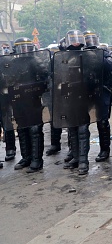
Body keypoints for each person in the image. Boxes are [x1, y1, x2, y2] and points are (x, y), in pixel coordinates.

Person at [6, 37, 49, 172]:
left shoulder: (36, 61)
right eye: (21, 48)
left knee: (35, 129)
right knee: (22, 129)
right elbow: (8, 79)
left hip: (33, 100)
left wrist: (37, 90)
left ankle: (37, 159)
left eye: (26, 48)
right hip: (19, 100)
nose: (24, 51)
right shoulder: (13, 63)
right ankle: (26, 157)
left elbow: (45, 78)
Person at [59, 29, 97, 175]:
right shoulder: (61, 57)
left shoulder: (89, 56)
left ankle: (83, 161)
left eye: (77, 39)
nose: (75, 42)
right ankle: (75, 157)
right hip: (69, 99)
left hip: (83, 98)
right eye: (72, 39)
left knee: (82, 130)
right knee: (72, 129)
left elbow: (95, 76)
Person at [83, 30, 112, 162]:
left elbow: (111, 65)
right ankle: (78, 153)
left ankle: (104, 150)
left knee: (102, 121)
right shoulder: (80, 54)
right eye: (87, 39)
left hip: (102, 90)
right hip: (85, 91)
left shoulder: (103, 53)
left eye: (92, 39)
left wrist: (97, 56)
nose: (90, 42)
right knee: (81, 123)